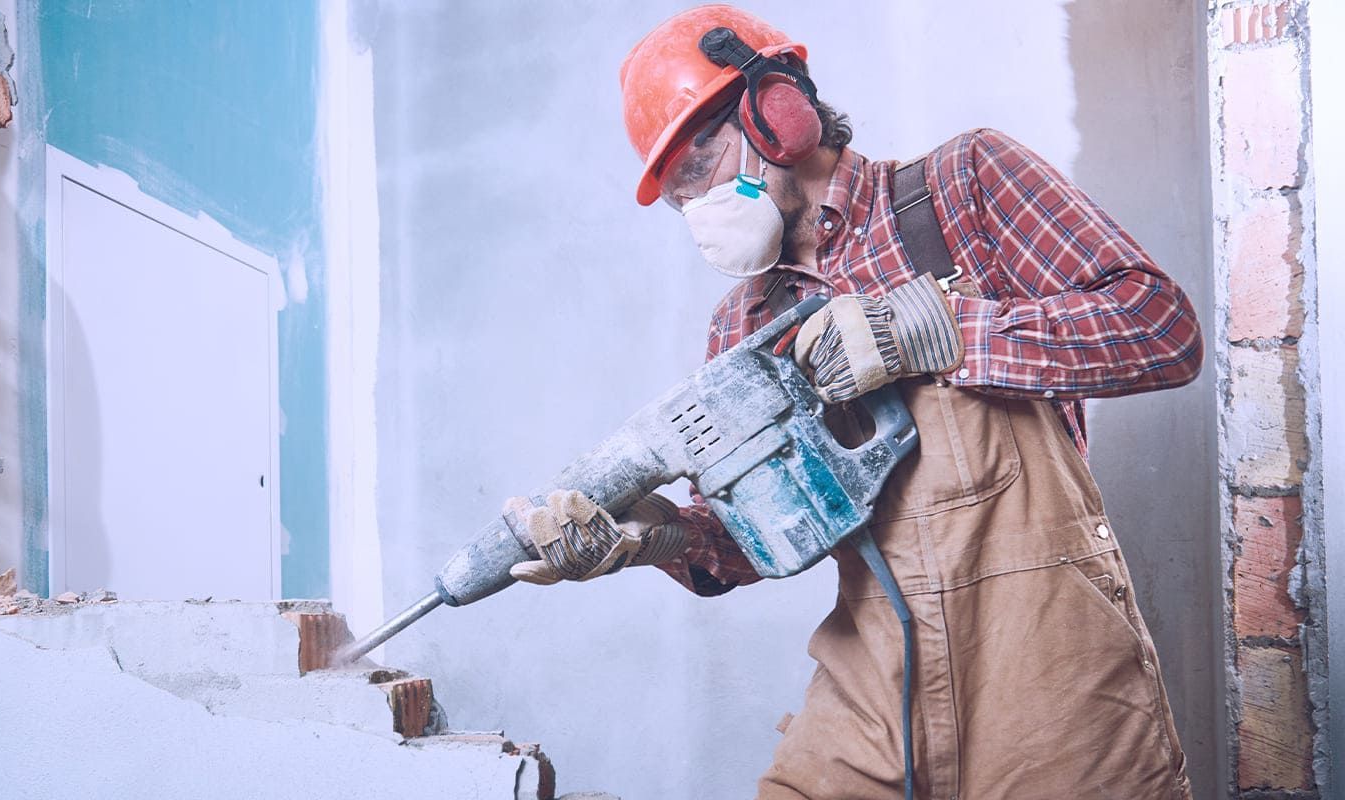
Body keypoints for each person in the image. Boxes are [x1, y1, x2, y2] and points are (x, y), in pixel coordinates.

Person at [502, 5, 1203, 798]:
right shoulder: (744, 325)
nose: (694, 209)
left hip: (1048, 670)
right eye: (675, 197)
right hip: (873, 681)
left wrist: (934, 330)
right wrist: (656, 537)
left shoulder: (961, 187)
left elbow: (1161, 328)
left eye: (696, 169)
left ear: (778, 111)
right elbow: (756, 538)